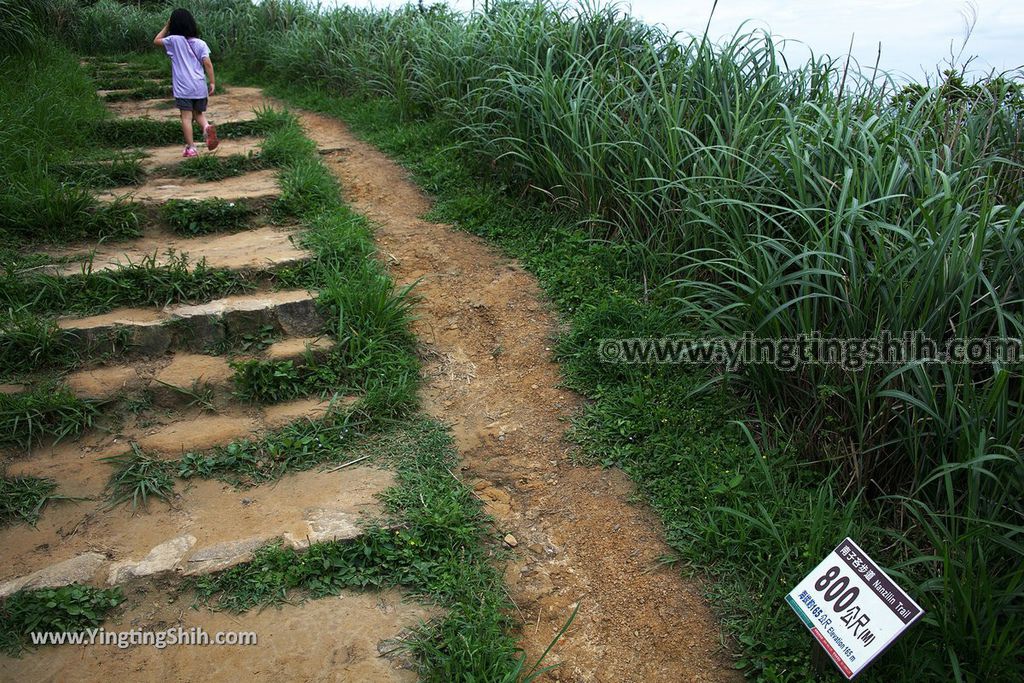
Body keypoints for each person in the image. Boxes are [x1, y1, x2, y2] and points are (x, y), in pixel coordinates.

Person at [154, 8, 218, 157]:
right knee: (198, 113)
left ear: (174, 25)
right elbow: (208, 64)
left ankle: (191, 148)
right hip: (199, 85)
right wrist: (213, 82)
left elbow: (156, 40)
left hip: (183, 87)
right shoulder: (201, 43)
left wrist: (167, 26)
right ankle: (207, 127)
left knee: (186, 117)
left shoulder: (173, 41)